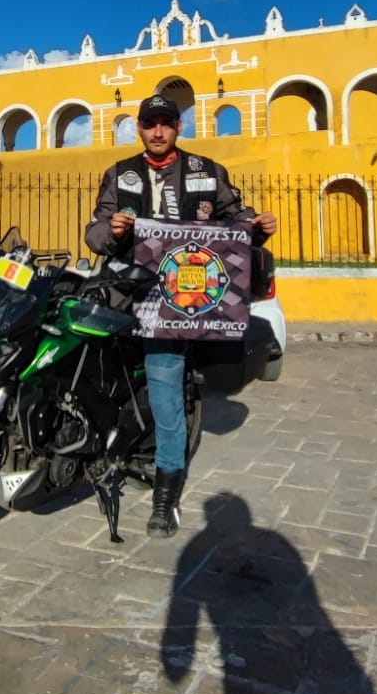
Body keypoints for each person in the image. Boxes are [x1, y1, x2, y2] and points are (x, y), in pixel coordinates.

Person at [84, 94, 277, 539]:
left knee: (164, 378)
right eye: (150, 123)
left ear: (177, 127)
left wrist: (258, 226)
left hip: (181, 302)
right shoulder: (120, 174)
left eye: (166, 123)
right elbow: (94, 232)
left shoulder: (206, 171)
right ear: (138, 128)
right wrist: (110, 231)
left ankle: (166, 490)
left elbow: (237, 218)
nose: (158, 131)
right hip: (128, 293)